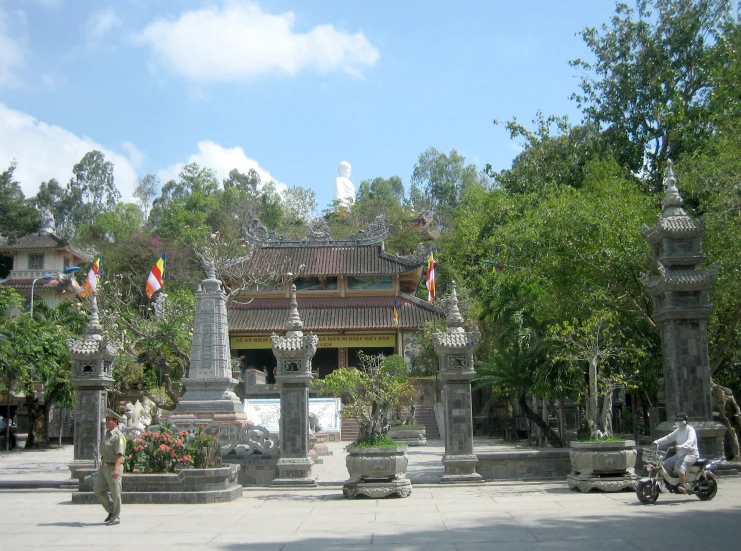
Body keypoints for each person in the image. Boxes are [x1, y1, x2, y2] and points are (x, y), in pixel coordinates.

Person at [653, 412, 699, 495]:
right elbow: (668, 438)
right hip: (680, 454)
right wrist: (657, 442)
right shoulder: (678, 431)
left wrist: (681, 446)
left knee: (679, 464)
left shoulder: (690, 430)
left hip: (691, 454)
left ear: (686, 421)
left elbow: (690, 441)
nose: (679, 422)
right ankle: (673, 483)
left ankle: (683, 485)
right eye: (678, 421)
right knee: (666, 464)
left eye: (681, 421)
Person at [95, 409, 126, 525]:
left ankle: (116, 517)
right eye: (106, 419)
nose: (106, 422)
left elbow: (119, 454)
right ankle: (111, 510)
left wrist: (116, 469)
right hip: (104, 468)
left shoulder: (119, 437)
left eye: (109, 420)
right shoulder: (107, 435)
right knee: (98, 489)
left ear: (115, 422)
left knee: (115, 493)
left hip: (114, 467)